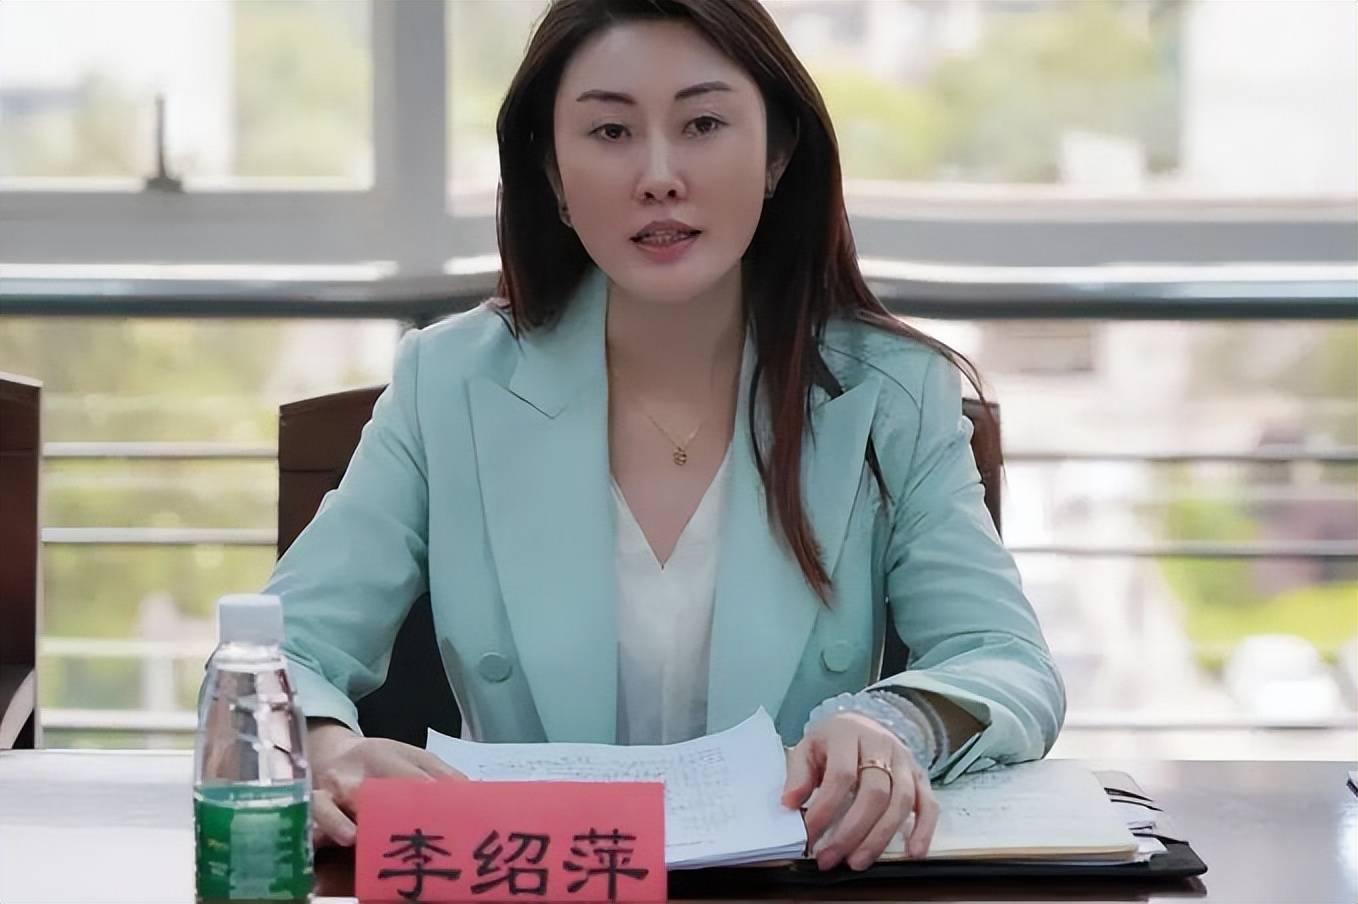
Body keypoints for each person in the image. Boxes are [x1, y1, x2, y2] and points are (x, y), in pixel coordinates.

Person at [266, 0, 1066, 873]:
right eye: (610, 132)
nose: (658, 177)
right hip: (534, 882)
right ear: (552, 171)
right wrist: (328, 748)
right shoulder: (448, 382)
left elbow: (1005, 661)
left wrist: (891, 723)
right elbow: (275, 655)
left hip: (787, 886)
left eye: (703, 124)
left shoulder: (891, 391)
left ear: (778, 153)